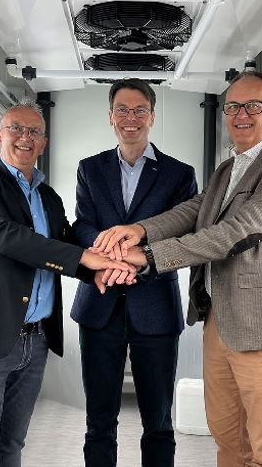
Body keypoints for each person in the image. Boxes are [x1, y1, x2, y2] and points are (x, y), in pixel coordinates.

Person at [94, 72, 262, 467]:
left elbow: (236, 232)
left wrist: (150, 255)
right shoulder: (229, 169)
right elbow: (193, 211)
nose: (241, 115)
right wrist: (139, 230)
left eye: (253, 106)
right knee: (229, 440)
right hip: (221, 323)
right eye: (233, 107)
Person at [0, 101, 134, 467]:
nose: (24, 137)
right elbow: (5, 236)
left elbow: (65, 241)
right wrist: (85, 258)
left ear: (44, 142)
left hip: (35, 339)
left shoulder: (48, 197)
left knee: (11, 446)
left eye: (34, 132)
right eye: (16, 128)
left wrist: (98, 268)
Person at [70, 78, 198, 467]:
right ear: (110, 116)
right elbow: (83, 225)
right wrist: (111, 260)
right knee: (99, 422)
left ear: (152, 116)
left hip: (155, 307)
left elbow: (183, 233)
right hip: (99, 306)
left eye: (140, 110)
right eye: (122, 110)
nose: (131, 118)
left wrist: (130, 261)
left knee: (158, 422)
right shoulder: (90, 168)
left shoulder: (179, 174)